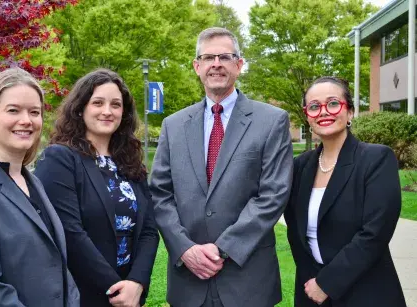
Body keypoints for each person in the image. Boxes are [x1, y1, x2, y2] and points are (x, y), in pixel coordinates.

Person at [149, 27, 293, 307]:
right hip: (188, 281)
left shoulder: (271, 121)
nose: (216, 64)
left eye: (225, 57)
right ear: (197, 66)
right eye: (208, 57)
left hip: (248, 279)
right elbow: (160, 194)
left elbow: (273, 194)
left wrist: (223, 248)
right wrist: (185, 249)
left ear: (239, 65)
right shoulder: (173, 125)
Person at [34, 68, 159, 307]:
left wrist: (137, 282)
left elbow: (149, 230)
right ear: (80, 108)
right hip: (84, 294)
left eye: (116, 104)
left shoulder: (130, 162)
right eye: (98, 102)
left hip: (130, 292)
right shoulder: (59, 159)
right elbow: (70, 233)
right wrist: (117, 290)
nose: (107, 111)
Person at [0, 68, 80, 307]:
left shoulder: (33, 182)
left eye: (34, 112)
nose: (26, 120)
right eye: (13, 110)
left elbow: (59, 266)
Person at [284, 76, 406, 306]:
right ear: (307, 116)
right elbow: (295, 230)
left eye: (332, 103)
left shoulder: (376, 159)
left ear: (349, 112)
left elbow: (374, 233)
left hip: (366, 292)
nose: (323, 112)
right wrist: (314, 282)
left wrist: (327, 283)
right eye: (314, 106)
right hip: (312, 293)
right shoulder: (300, 166)